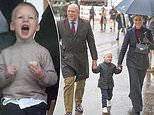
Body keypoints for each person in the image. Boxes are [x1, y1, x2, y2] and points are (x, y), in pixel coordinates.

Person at [0, 2, 58, 115]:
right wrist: (6, 75)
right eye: (20, 18)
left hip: (35, 102)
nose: (25, 21)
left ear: (37, 27)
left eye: (30, 18)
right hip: (11, 102)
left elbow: (53, 78)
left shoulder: (43, 52)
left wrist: (42, 75)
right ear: (12, 25)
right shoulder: (5, 54)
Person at [57, 3, 98, 115]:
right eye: (69, 11)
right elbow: (56, 41)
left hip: (81, 59)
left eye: (73, 11)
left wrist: (94, 59)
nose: (70, 13)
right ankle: (68, 111)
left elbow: (91, 42)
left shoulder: (85, 24)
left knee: (80, 84)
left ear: (78, 12)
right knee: (69, 82)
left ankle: (78, 103)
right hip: (67, 59)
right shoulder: (60, 24)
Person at [117, 15, 154, 115]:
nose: (138, 22)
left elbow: (152, 47)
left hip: (143, 62)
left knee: (139, 85)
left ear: (143, 21)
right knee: (135, 84)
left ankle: (133, 95)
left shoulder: (148, 32)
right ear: (133, 20)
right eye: (136, 20)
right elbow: (124, 47)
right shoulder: (129, 32)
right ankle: (137, 109)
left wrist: (148, 41)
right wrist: (119, 63)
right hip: (132, 61)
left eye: (140, 20)